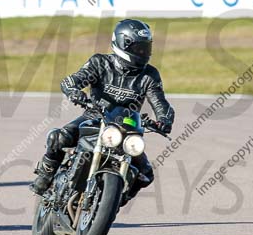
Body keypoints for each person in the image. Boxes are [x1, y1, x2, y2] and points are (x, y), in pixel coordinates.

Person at [30, 19, 174, 200]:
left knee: (146, 174)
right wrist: (75, 91)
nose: (143, 53)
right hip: (94, 117)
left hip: (127, 126)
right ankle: (46, 175)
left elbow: (161, 103)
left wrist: (164, 119)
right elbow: (72, 81)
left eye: (146, 48)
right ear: (123, 44)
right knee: (58, 137)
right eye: (139, 48)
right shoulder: (100, 63)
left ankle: (116, 199)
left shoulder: (149, 75)